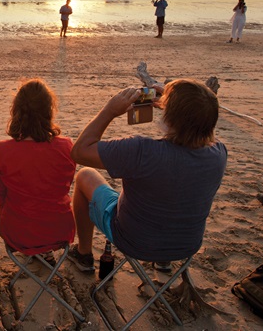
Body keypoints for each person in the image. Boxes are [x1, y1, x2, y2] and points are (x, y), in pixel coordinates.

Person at [67, 80, 227, 272]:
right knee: (174, 193)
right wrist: (184, 108)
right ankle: (164, 262)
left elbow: (79, 152)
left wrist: (110, 110)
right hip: (186, 245)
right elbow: (203, 131)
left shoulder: (142, 152)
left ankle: (83, 253)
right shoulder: (218, 154)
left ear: (169, 118)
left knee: (85, 175)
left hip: (135, 241)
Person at [0, 79, 76, 270]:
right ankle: (45, 251)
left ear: (16, 111)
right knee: (48, 197)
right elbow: (65, 183)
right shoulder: (66, 146)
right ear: (49, 111)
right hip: (59, 229)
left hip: (19, 233)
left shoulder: (1, 150)